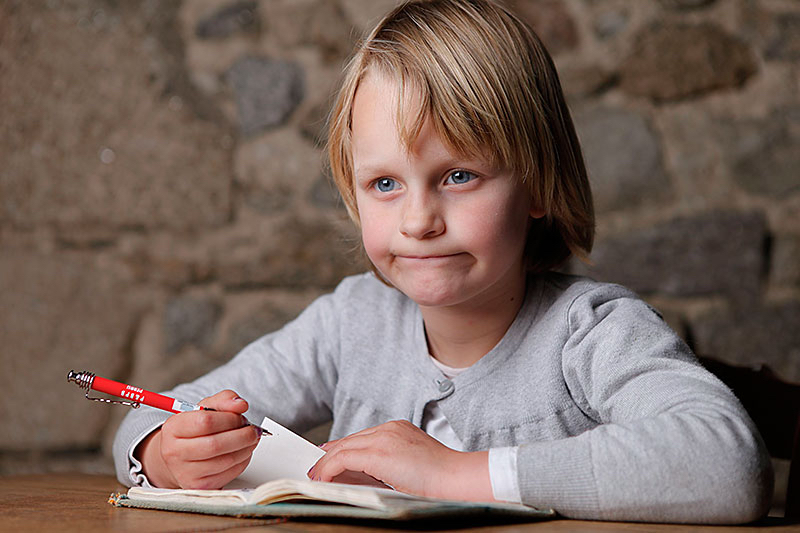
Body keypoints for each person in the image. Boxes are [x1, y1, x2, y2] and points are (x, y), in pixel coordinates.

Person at [113, 0, 773, 523]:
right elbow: (149, 415)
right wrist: (166, 455)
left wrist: (457, 473)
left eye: (458, 175)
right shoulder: (349, 324)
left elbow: (726, 463)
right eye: (385, 184)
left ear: (538, 185)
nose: (419, 220)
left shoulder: (590, 330)